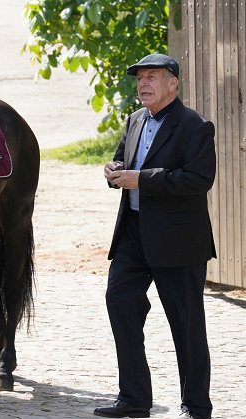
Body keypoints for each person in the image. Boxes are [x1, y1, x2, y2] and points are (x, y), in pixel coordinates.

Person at [94, 53, 216, 419]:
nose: (143, 84)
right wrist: (113, 169)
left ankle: (196, 406)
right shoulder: (134, 120)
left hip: (178, 241)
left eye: (152, 77)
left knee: (186, 323)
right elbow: (123, 161)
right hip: (132, 234)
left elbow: (198, 180)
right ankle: (134, 399)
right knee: (120, 304)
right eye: (139, 78)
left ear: (173, 84)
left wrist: (141, 179)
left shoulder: (195, 126)